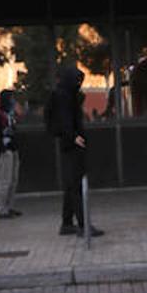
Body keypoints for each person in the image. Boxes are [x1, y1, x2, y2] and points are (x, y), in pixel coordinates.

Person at [48, 66, 102, 236]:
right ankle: (82, 224)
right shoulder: (64, 96)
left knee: (71, 186)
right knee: (76, 186)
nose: (79, 84)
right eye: (77, 80)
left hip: (70, 143)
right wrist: (73, 137)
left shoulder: (65, 94)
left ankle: (67, 223)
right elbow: (65, 119)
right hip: (72, 144)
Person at [0, 89, 22, 218]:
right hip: (5, 151)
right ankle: (1, 208)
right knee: (5, 181)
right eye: (11, 99)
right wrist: (1, 148)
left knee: (13, 180)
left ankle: (9, 206)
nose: (13, 102)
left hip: (13, 149)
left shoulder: (10, 115)